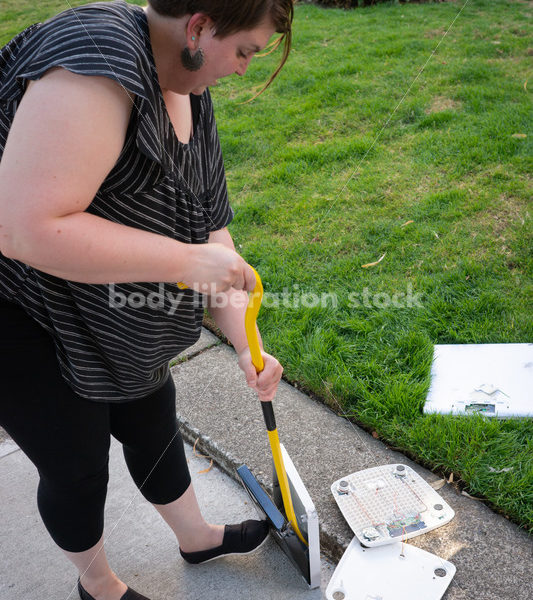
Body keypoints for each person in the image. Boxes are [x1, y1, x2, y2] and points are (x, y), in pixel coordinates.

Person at [0, 1, 294, 599]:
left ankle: (197, 537)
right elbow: (24, 229)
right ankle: (99, 585)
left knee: (150, 415)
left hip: (112, 313)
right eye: (245, 51)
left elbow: (214, 236)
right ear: (200, 26)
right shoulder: (96, 61)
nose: (242, 68)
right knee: (77, 465)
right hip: (23, 308)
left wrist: (245, 344)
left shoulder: (187, 80)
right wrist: (186, 262)